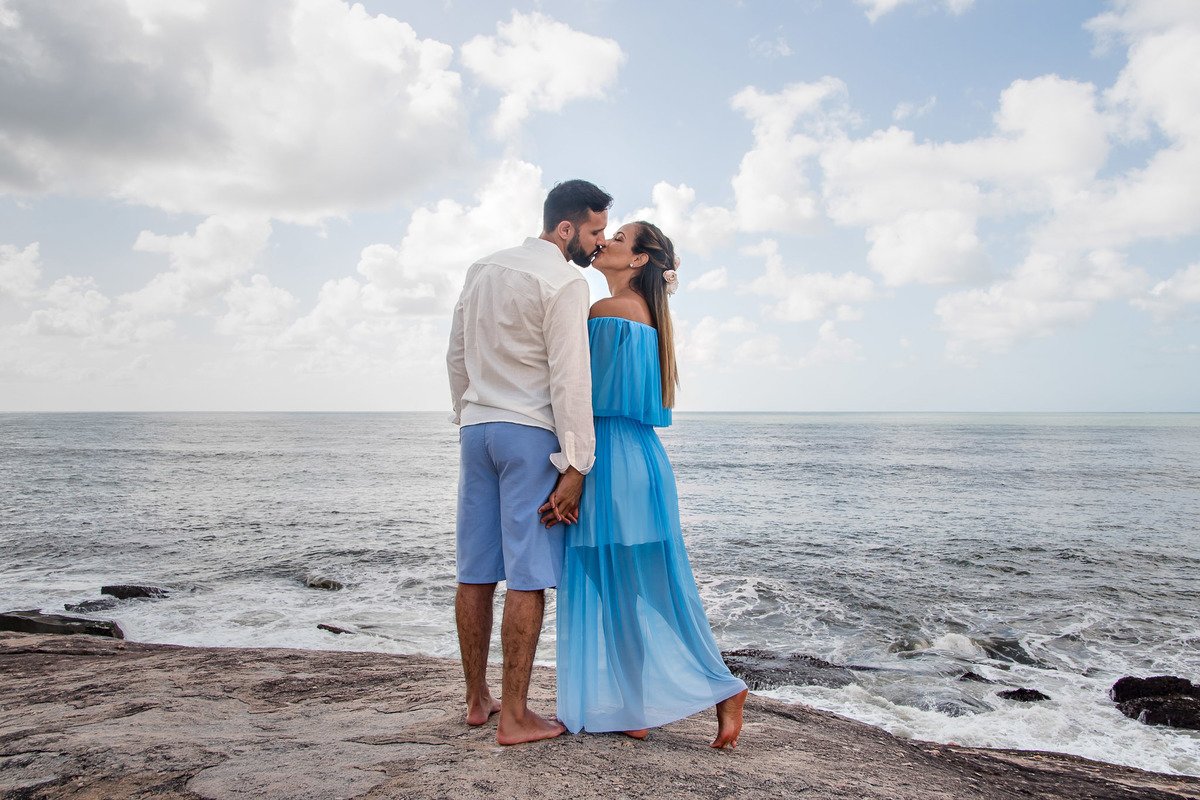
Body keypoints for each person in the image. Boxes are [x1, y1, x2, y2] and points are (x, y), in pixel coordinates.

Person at [546, 220, 749, 747]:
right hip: (640, 458)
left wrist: (572, 469)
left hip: (607, 459)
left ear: (638, 259)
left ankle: (721, 687)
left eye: (619, 238)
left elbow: (576, 393)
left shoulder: (606, 310)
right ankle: (638, 705)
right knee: (634, 588)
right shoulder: (648, 316)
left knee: (626, 586)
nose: (605, 242)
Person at [446, 179, 611, 745]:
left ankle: (477, 701)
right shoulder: (565, 281)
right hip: (528, 434)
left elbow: (457, 354)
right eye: (594, 231)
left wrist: (467, 413)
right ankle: (515, 716)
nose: (600, 242)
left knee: (474, 570)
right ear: (565, 229)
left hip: (477, 430)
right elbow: (570, 376)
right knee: (528, 576)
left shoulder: (482, 268)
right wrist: (577, 464)